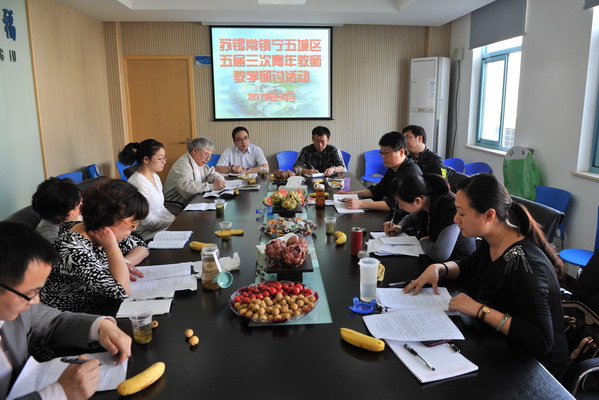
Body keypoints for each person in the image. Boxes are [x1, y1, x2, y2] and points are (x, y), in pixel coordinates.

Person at [404, 173, 569, 378]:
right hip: (503, 343)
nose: (455, 219)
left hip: (537, 369)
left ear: (489, 215)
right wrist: (439, 268)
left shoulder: (524, 266)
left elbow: (542, 340)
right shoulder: (494, 241)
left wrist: (480, 310)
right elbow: (466, 267)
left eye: (462, 213)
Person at [0, 221, 132, 400]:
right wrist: (58, 393)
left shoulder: (14, 305)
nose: (37, 300)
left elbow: (51, 321)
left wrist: (101, 326)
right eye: (31, 293)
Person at [40, 179, 150, 314]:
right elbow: (122, 291)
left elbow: (142, 247)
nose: (133, 229)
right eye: (133, 223)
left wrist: (124, 262)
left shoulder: (98, 231)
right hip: (72, 317)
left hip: (100, 305)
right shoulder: (73, 249)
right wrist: (112, 247)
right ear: (109, 217)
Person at [384, 173, 475, 262]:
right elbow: (412, 218)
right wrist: (399, 227)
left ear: (418, 201)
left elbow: (440, 255)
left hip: (459, 263)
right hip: (436, 261)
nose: (400, 207)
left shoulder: (450, 211)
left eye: (401, 203)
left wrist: (423, 240)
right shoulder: (428, 200)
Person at [342, 131, 422, 212]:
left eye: (386, 153)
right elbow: (379, 190)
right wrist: (352, 194)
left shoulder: (411, 174)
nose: (383, 157)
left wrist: (361, 204)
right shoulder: (392, 168)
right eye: (381, 152)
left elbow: (397, 205)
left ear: (401, 152)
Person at [119, 139, 175, 241]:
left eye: (164, 158)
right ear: (146, 159)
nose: (164, 162)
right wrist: (172, 222)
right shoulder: (138, 183)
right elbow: (145, 221)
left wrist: (174, 219)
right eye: (160, 158)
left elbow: (161, 208)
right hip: (146, 232)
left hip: (160, 226)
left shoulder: (155, 177)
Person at [163, 137, 226, 208]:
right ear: (195, 151)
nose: (208, 159)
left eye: (210, 156)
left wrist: (217, 179)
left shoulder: (199, 162)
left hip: (194, 202)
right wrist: (211, 186)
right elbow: (186, 187)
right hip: (177, 207)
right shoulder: (182, 165)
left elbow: (211, 173)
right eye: (206, 154)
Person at [31, 177, 82, 243]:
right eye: (77, 206)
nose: (81, 206)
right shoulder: (49, 233)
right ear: (60, 214)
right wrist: (74, 226)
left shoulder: (75, 212)